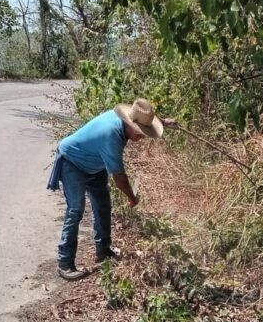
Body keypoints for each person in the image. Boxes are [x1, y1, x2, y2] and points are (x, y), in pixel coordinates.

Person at [46, 98, 175, 280]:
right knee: (75, 210)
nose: (142, 136)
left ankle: (103, 252)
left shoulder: (124, 119)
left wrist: (161, 122)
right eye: (139, 132)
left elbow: (143, 120)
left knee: (103, 206)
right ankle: (65, 263)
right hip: (72, 162)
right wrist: (131, 197)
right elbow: (119, 177)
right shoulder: (112, 136)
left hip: (93, 165)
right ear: (129, 124)